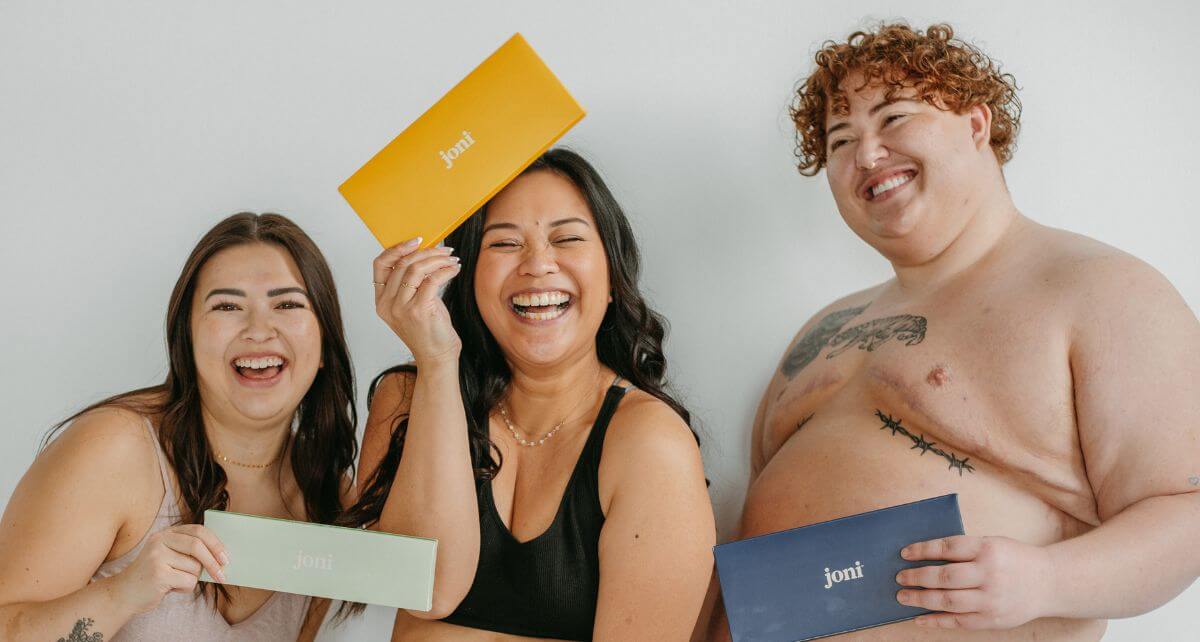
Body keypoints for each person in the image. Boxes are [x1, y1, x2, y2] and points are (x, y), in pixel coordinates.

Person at [700, 23, 1200, 641]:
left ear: (976, 124)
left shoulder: (1101, 290)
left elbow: (1186, 513)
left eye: (894, 118)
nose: (867, 154)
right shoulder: (823, 331)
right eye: (840, 139)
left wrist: (1046, 579)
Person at [342, 148, 715, 640]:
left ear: (611, 280)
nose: (539, 265)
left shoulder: (649, 443)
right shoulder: (409, 397)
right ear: (468, 275)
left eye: (567, 238)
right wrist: (436, 362)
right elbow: (419, 590)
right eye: (503, 244)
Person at [0, 213, 358, 641]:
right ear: (186, 339)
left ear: (323, 344)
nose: (259, 330)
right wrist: (122, 594)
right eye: (227, 306)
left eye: (287, 305)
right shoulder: (116, 448)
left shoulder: (328, 493)